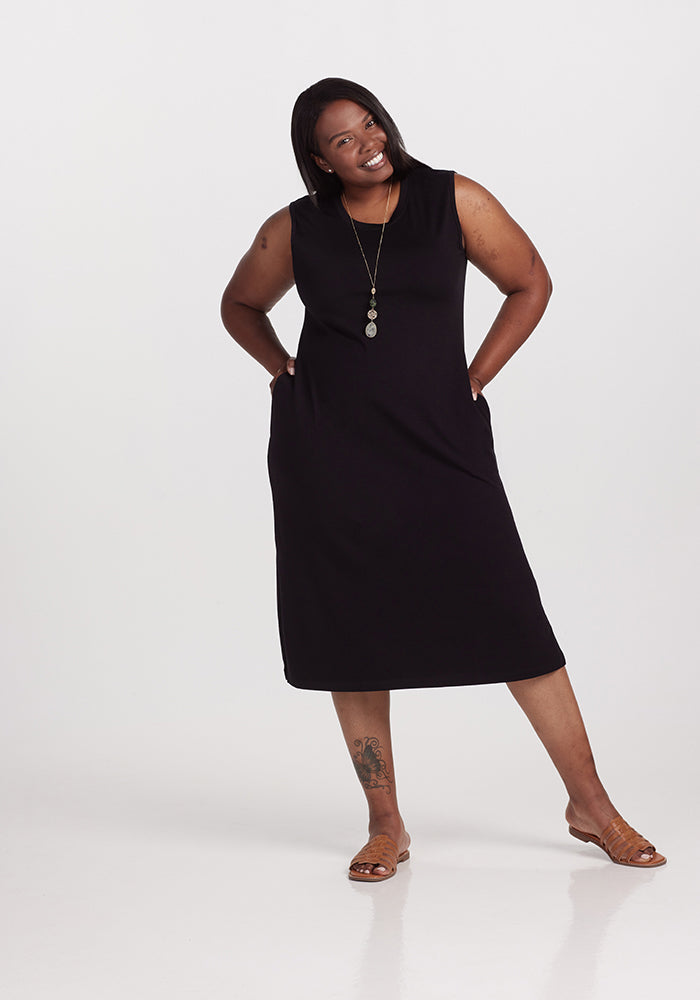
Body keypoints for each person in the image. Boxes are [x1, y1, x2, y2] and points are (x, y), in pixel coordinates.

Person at [220, 78, 666, 881]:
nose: (368, 144)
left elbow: (530, 282)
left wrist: (475, 377)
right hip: (329, 452)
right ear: (319, 161)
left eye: (370, 124)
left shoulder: (453, 199)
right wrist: (285, 371)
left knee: (514, 618)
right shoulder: (296, 227)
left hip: (440, 439)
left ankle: (591, 806)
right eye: (344, 140)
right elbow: (239, 306)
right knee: (351, 633)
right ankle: (385, 822)